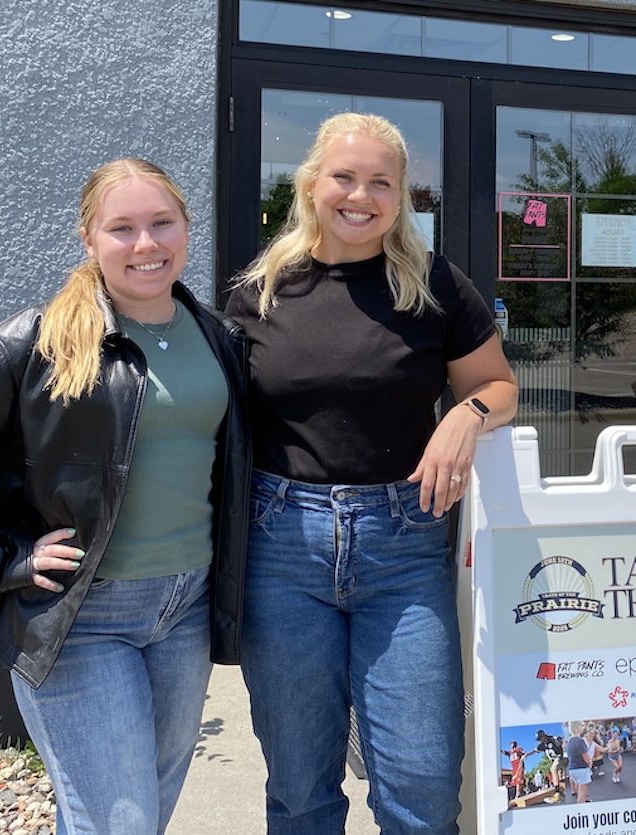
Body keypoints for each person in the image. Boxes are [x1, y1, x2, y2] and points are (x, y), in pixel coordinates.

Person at [0, 158, 249, 833]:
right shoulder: (35, 342)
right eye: (122, 227)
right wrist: (4, 558)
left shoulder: (217, 337)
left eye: (162, 222)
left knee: (136, 815)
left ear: (187, 225)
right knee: (119, 821)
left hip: (183, 613)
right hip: (80, 618)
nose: (146, 243)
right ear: (88, 238)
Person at [225, 112, 519, 834]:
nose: (361, 195)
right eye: (345, 177)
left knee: (419, 791)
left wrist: (466, 414)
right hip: (282, 546)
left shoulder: (436, 285)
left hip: (404, 545)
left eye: (381, 182)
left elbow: (500, 385)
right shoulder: (259, 291)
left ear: (402, 196)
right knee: (301, 789)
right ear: (311, 184)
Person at [565, 722, 593, 803]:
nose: (583, 727)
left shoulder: (570, 740)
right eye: (582, 725)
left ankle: (584, 801)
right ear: (577, 727)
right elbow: (585, 756)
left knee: (579, 787)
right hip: (581, 768)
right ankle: (581, 809)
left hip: (572, 768)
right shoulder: (580, 741)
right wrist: (590, 762)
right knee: (582, 792)